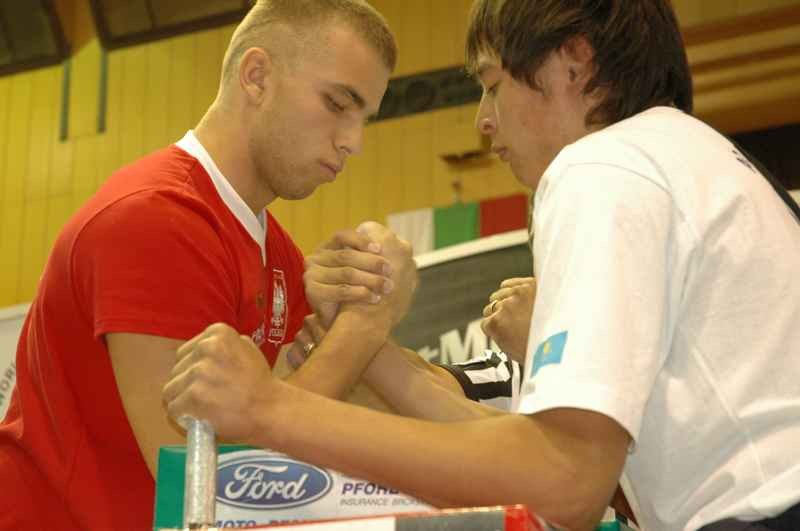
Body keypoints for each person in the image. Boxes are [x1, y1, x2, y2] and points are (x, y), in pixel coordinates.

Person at [163, 1, 800, 530]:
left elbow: (565, 481)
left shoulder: (603, 166)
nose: (483, 121)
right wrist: (368, 346)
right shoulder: (685, 156)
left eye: (493, 85)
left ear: (575, 63)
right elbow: (555, 458)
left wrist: (270, 408)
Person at [0, 1, 402, 529]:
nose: (353, 142)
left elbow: (308, 415)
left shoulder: (276, 251)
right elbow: (205, 487)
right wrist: (362, 328)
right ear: (256, 76)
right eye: (337, 104)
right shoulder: (153, 220)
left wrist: (334, 328)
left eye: (364, 119)